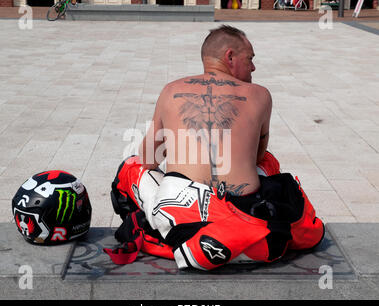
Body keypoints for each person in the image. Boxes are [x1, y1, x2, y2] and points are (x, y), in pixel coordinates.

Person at [107, 25, 324, 271]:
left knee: (131, 166)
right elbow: (258, 157)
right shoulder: (261, 94)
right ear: (230, 57)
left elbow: (148, 159)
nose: (253, 67)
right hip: (246, 214)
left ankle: (175, 236)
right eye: (250, 59)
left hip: (184, 210)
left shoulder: (171, 90)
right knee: (269, 162)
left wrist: (177, 146)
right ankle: (230, 232)